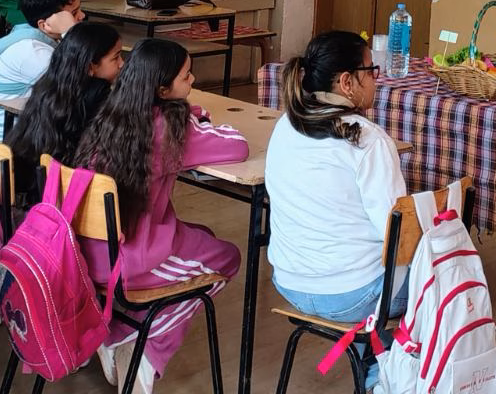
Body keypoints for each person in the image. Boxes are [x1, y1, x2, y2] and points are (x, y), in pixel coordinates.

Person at [72, 39, 248, 394]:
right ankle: (142, 345)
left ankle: (116, 332)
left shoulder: (109, 116)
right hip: (130, 260)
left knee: (202, 233)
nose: (193, 79)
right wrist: (193, 117)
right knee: (227, 258)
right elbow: (237, 144)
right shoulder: (169, 129)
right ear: (163, 90)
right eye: (186, 76)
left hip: (87, 253)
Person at [266, 31, 408, 386]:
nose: (376, 80)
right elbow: (396, 234)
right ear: (347, 82)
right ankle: (388, 375)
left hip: (290, 282)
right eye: (371, 71)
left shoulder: (286, 125)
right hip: (352, 295)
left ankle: (374, 363)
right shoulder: (367, 140)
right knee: (441, 278)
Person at [0, 0, 85, 142]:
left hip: (25, 135)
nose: (82, 16)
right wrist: (70, 33)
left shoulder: (37, 36)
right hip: (2, 146)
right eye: (73, 13)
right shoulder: (32, 52)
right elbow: (78, 84)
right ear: (45, 24)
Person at [7, 21, 124, 169]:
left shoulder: (48, 84)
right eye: (116, 57)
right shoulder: (98, 93)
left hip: (30, 172)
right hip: (63, 178)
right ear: (90, 67)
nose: (122, 63)